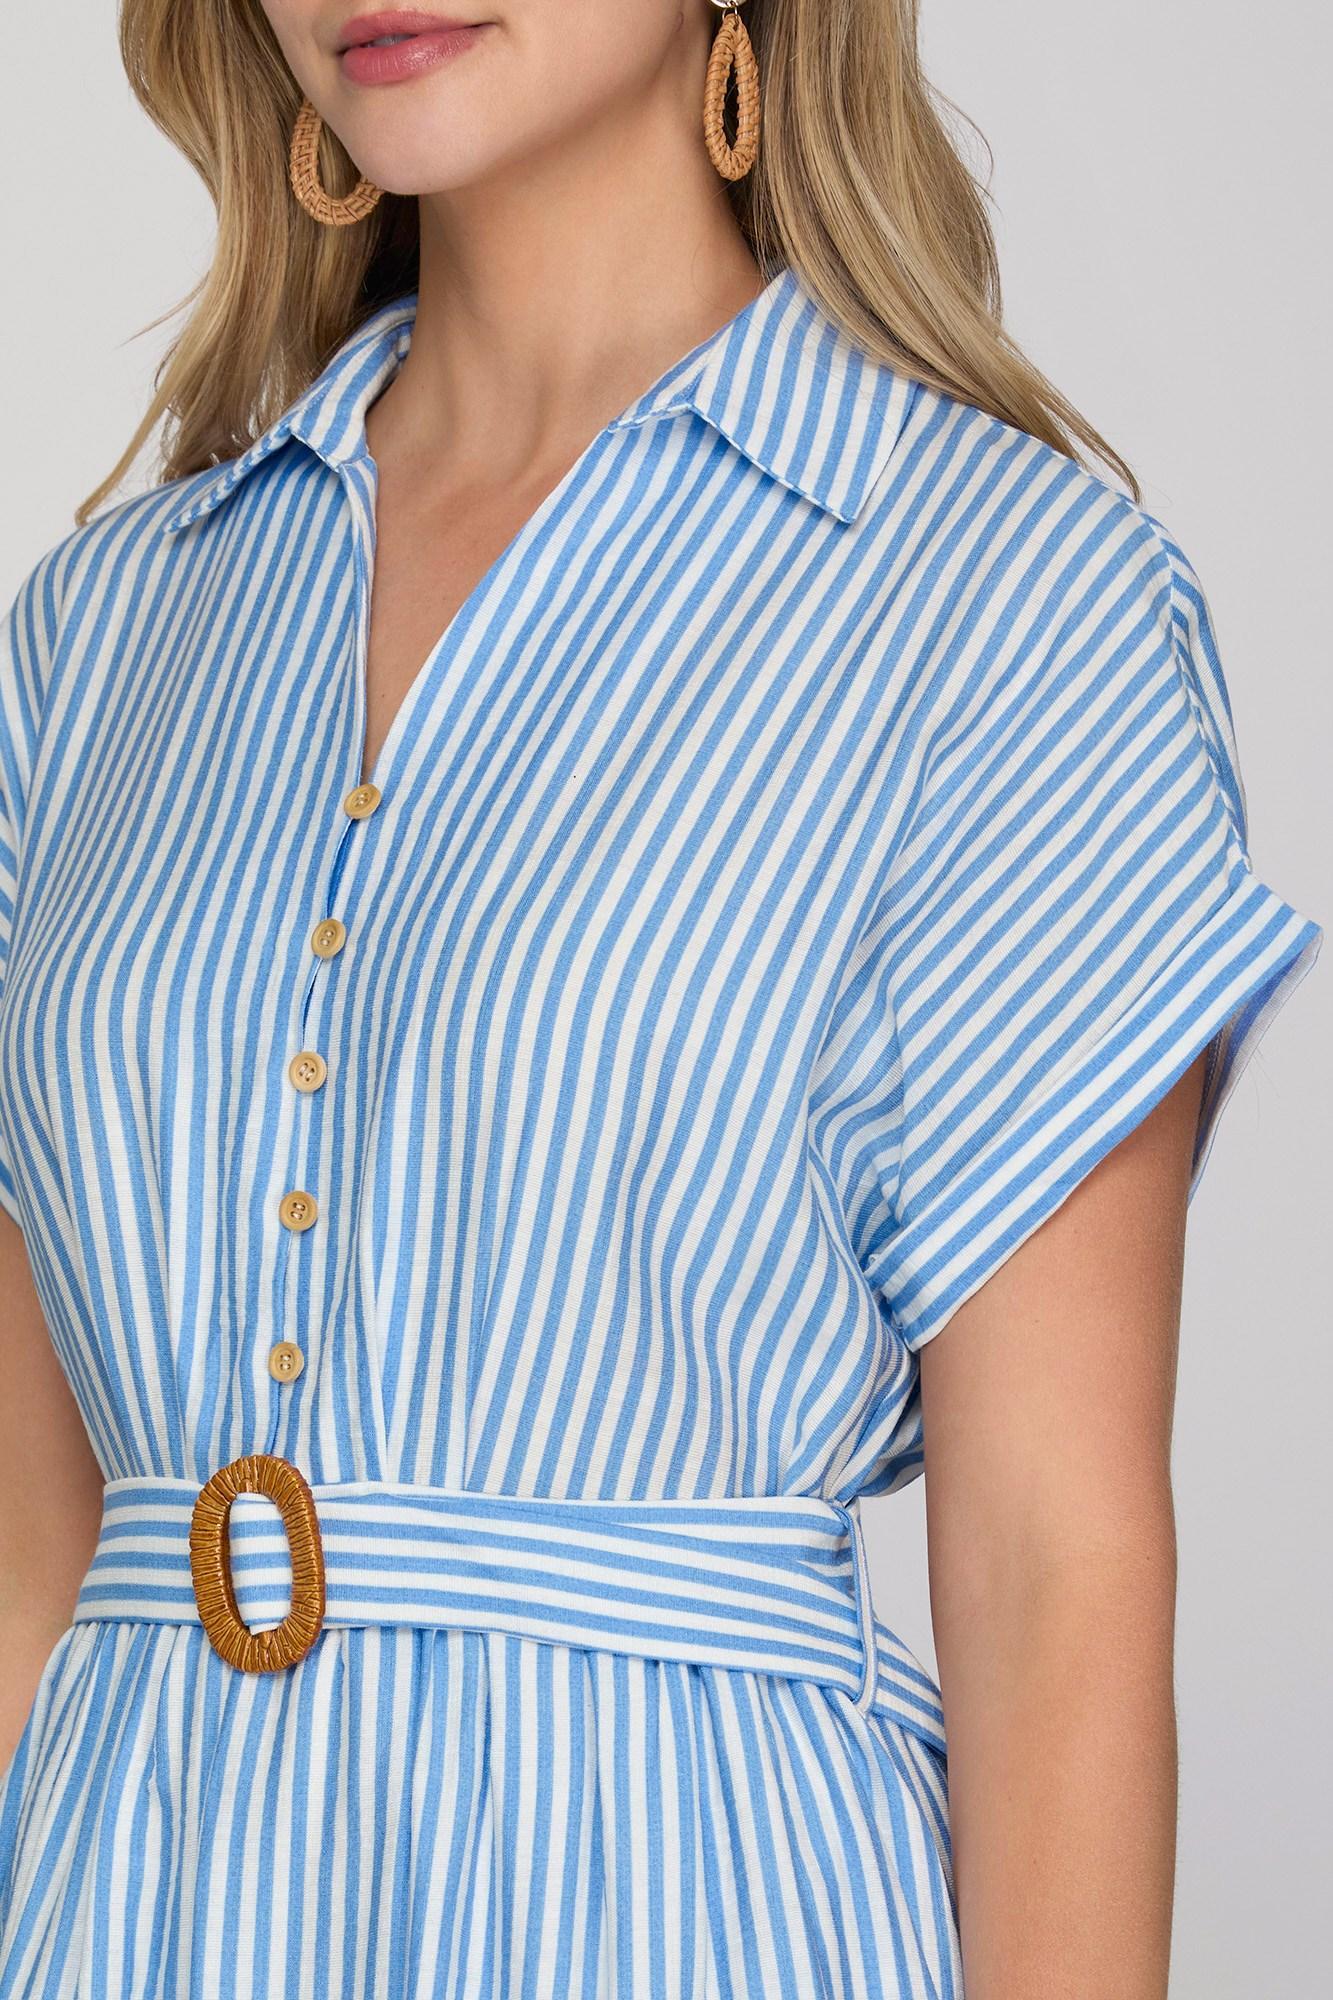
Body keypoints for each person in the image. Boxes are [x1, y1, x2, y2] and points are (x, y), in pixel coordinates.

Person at [0, 2, 1322, 1995]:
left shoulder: (1001, 603)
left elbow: (1057, 1582)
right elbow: (29, 1550)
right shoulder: (101, 640)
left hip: (680, 1909)